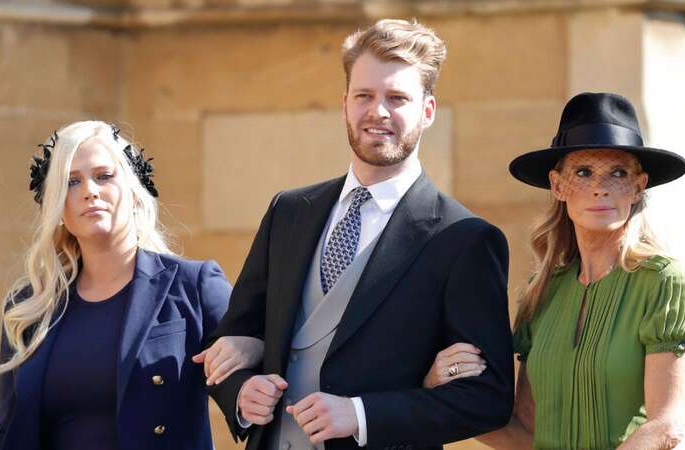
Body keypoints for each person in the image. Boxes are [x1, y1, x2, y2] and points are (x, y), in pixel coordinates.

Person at [196, 19, 514, 450]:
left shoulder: (463, 238)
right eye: (365, 96)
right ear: (345, 103)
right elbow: (234, 340)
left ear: (427, 110)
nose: (378, 112)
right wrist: (239, 393)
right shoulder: (289, 211)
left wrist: (362, 415)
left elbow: (488, 400)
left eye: (397, 98)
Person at [427, 92, 685, 449]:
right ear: (558, 185)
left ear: (638, 186)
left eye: (618, 172)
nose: (600, 188)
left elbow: (667, 424)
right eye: (583, 172)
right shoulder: (542, 292)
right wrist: (439, 392)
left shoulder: (662, 282)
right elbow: (526, 433)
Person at [0, 121, 260, 450]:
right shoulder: (29, 307)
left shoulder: (192, 284)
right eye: (72, 182)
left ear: (133, 191)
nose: (90, 190)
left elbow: (250, 359)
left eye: (104, 176)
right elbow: (8, 432)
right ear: (58, 207)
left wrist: (254, 348)